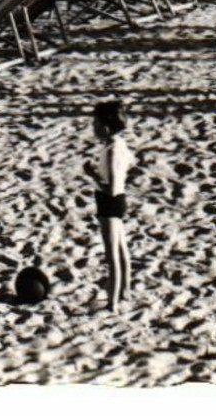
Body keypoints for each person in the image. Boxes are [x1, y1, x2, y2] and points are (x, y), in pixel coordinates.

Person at [86, 100, 133, 310]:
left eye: (95, 124)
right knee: (122, 250)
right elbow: (131, 164)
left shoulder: (112, 150)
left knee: (112, 255)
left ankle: (112, 303)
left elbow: (111, 188)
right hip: (118, 200)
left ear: (106, 126)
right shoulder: (119, 145)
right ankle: (125, 291)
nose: (93, 128)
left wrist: (92, 175)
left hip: (109, 203)